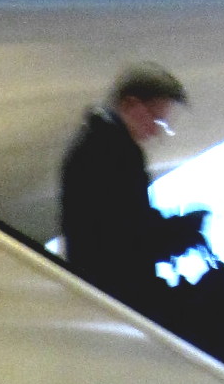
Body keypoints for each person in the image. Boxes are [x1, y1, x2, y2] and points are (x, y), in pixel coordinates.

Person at [60, 64, 207, 318]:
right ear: (131, 104)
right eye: (157, 119)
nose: (155, 131)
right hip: (114, 298)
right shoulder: (112, 153)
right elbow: (125, 237)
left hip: (101, 294)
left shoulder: (96, 144)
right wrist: (181, 231)